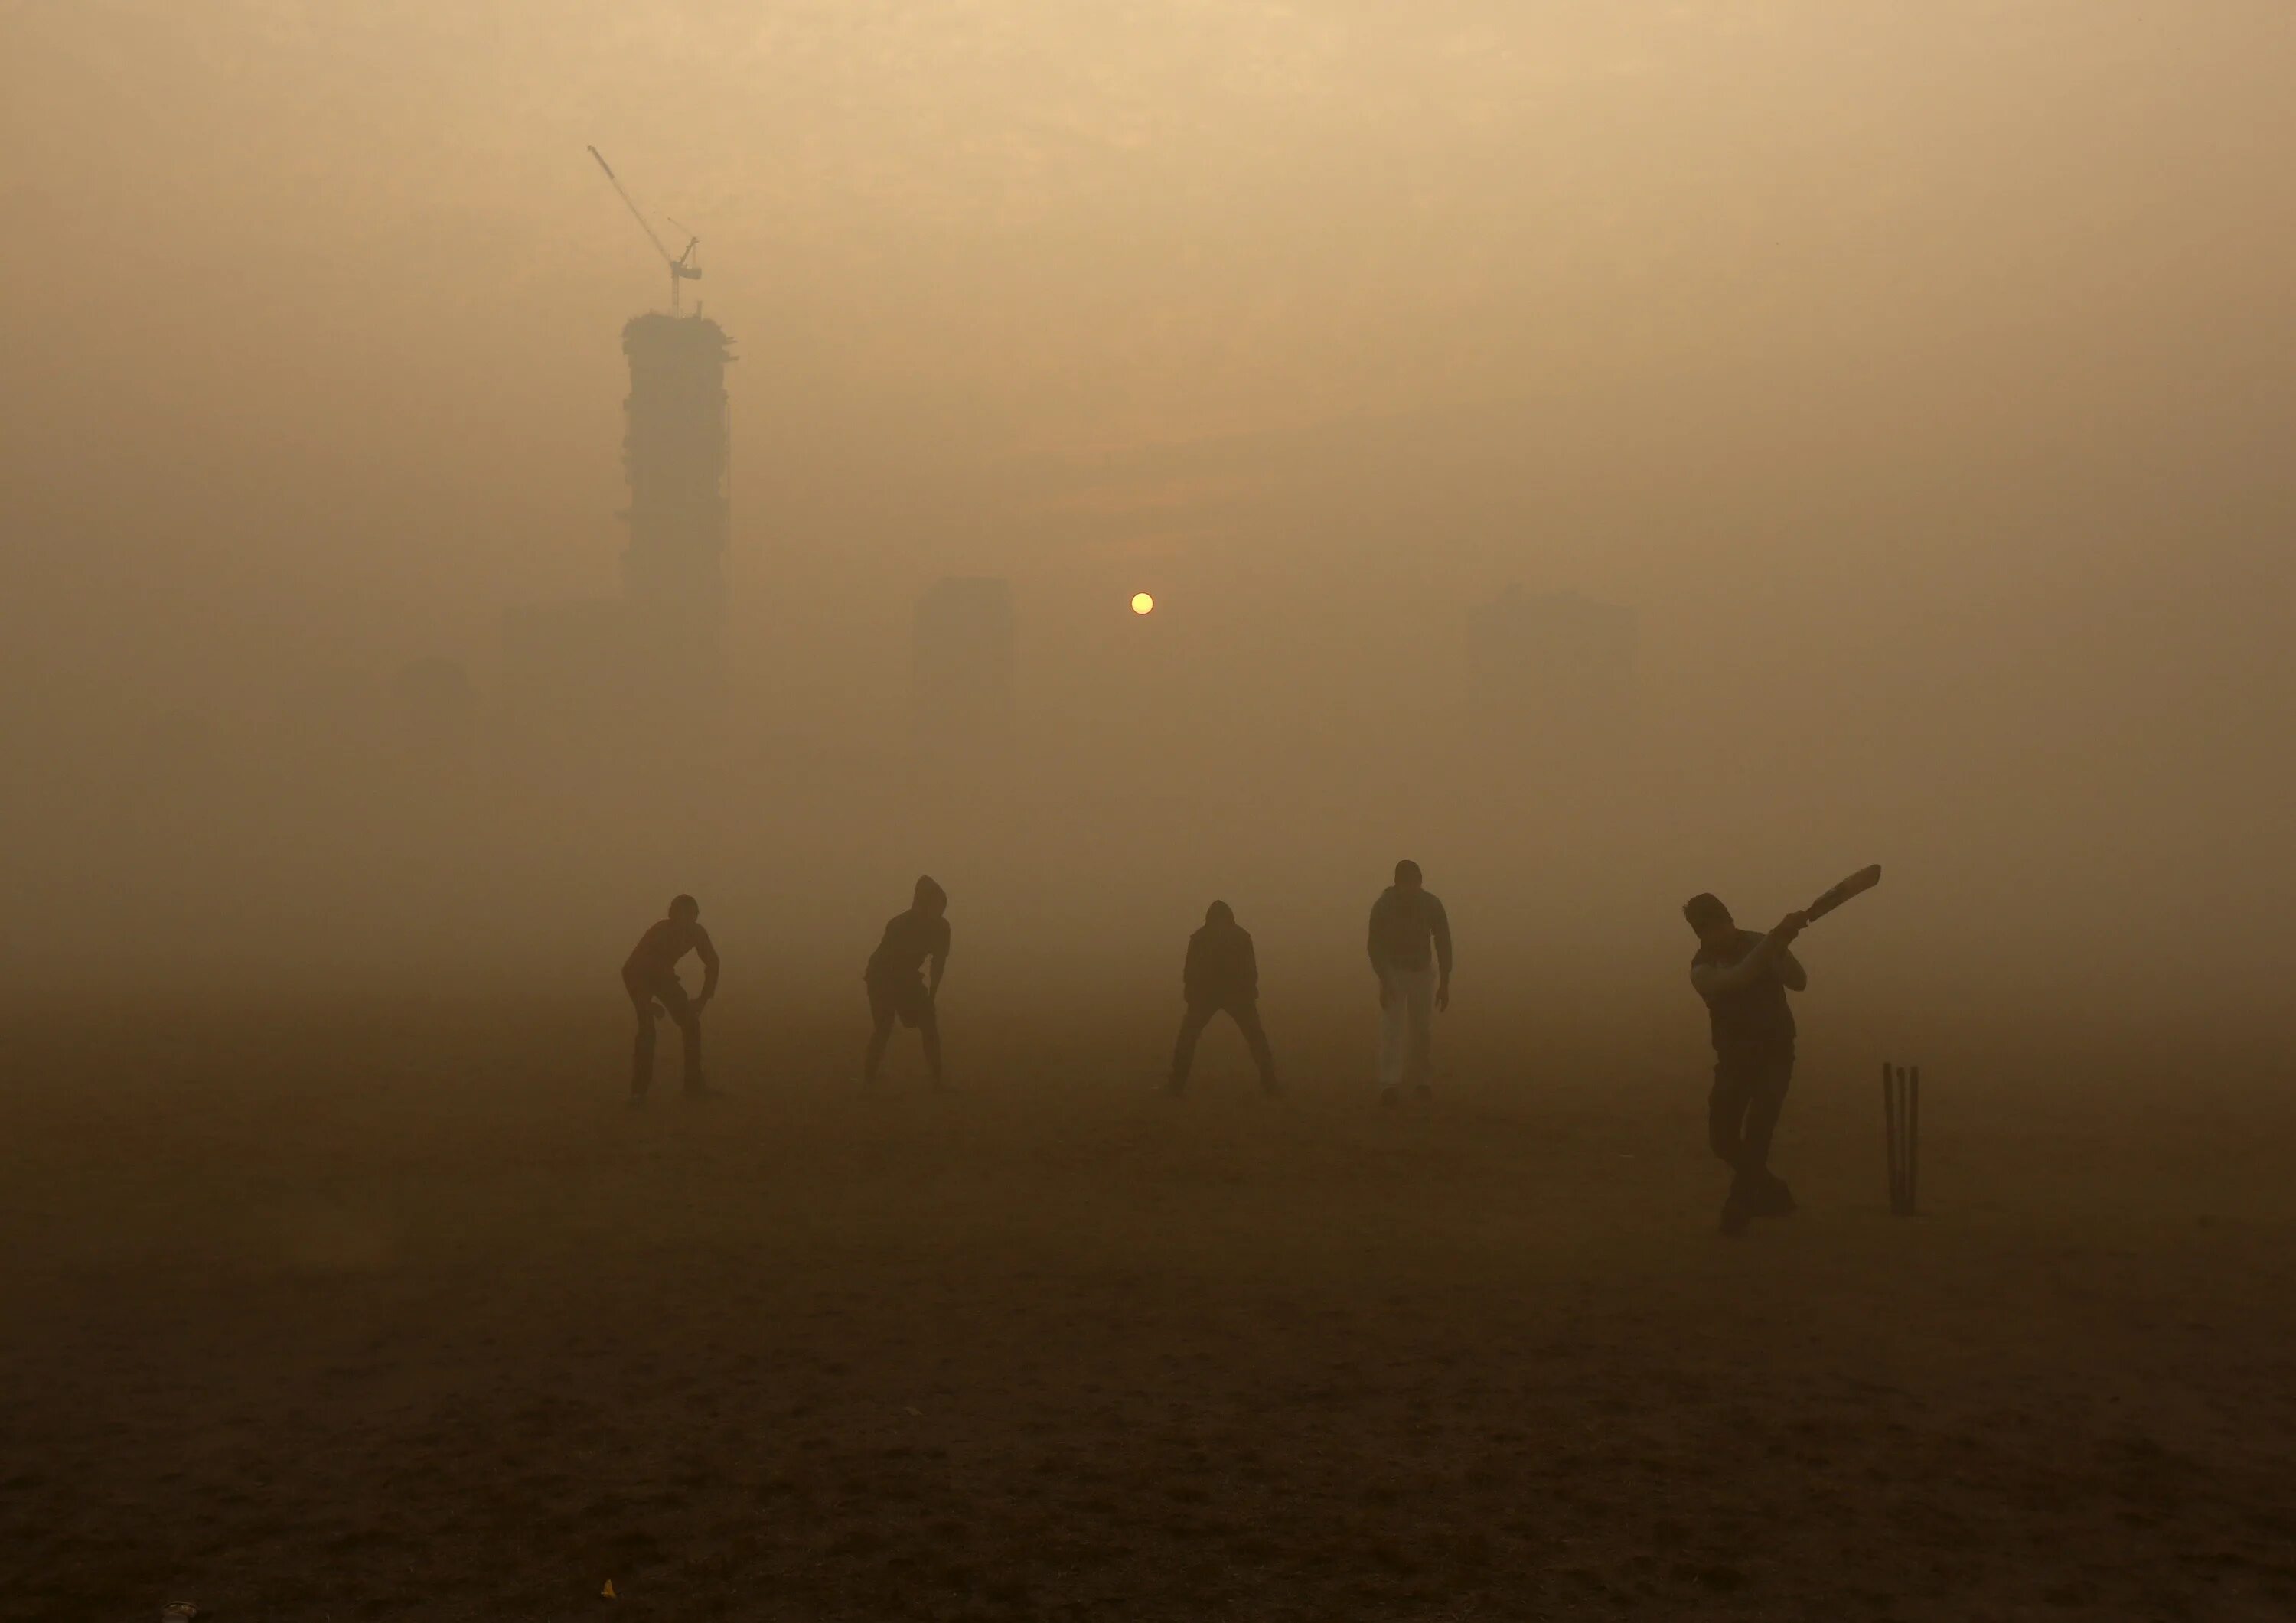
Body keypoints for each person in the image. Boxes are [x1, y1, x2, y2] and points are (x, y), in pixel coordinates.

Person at [1684, 891, 1808, 1236]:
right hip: (1734, 1059)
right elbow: (1736, 980)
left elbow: (1799, 982)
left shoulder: (1760, 942)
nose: (1717, 934)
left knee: (1759, 1130)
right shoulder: (1702, 969)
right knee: (1722, 1140)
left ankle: (1739, 1205)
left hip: (1775, 1053)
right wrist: (1775, 941)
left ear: (1730, 920)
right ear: (1699, 934)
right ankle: (1773, 1193)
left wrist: (1779, 946)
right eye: (1706, 930)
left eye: (1720, 924)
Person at [1166, 901, 1279, 1097]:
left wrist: (1191, 993)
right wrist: (1250, 990)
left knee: (1188, 1038)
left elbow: (1190, 969)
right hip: (1237, 994)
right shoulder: (1242, 936)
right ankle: (1270, 1083)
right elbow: (1250, 968)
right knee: (1255, 1037)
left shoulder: (1200, 937)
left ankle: (1177, 1084)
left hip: (1205, 994)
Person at [1366, 859, 1453, 1104]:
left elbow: (1443, 941)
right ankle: (1389, 1083)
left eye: (1416, 883)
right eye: (1408, 884)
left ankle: (1423, 1081)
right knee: (1392, 1028)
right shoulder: (1383, 906)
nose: (1413, 889)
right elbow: (1375, 946)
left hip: (1422, 973)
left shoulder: (1431, 904)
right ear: (1397, 884)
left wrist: (1444, 981)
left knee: (1422, 1029)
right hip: (1394, 971)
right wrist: (1384, 979)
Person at [621, 893, 720, 1104]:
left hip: (664, 978)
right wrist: (646, 1004)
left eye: (691, 916)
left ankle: (693, 1084)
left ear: (695, 916)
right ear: (672, 916)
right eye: (681, 916)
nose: (686, 921)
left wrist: (703, 998)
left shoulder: (696, 933)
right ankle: (638, 1093)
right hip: (640, 977)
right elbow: (633, 969)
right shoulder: (659, 932)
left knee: (691, 1025)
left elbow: (713, 962)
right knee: (647, 1030)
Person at [864, 875, 951, 1084]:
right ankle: (869, 1080)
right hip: (881, 977)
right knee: (884, 1026)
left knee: (929, 1022)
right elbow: (890, 967)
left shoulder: (942, 928)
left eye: (941, 905)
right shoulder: (898, 925)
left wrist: (931, 996)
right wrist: (909, 1002)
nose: (938, 911)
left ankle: (937, 1080)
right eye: (934, 904)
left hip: (906, 977)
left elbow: (938, 964)